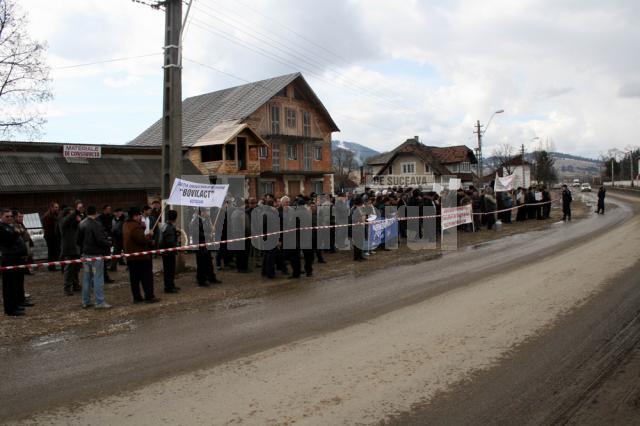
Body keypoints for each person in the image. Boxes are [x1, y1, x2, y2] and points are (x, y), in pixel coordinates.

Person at [77, 206, 112, 309]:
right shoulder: (96, 224)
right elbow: (100, 240)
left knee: (86, 279)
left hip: (85, 255)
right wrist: (109, 243)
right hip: (96, 256)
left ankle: (85, 301)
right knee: (98, 279)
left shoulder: (81, 223)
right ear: (96, 213)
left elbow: (78, 240)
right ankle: (99, 302)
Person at [123, 207, 159, 303]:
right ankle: (149, 296)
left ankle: (137, 297)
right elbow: (141, 240)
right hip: (140, 257)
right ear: (135, 216)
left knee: (134, 279)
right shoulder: (135, 226)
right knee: (146, 277)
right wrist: (149, 235)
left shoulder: (126, 225)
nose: (140, 217)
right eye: (139, 215)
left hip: (131, 256)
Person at [1, 208, 30, 316]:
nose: (9, 218)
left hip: (16, 257)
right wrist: (16, 233)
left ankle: (16, 304)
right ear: (1, 216)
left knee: (16, 284)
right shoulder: (1, 227)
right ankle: (10, 309)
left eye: (10, 216)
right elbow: (7, 242)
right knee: (9, 285)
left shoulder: (9, 226)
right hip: (9, 258)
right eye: (6, 216)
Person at [191, 208, 221, 287]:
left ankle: (211, 277)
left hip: (207, 244)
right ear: (201, 213)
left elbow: (209, 229)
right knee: (201, 263)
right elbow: (196, 233)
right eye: (205, 211)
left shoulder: (207, 220)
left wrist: (212, 229)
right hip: (200, 245)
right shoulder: (195, 221)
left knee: (208, 262)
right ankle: (201, 280)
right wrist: (208, 235)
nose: (207, 213)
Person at [59, 205, 82, 296]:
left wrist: (78, 220)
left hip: (76, 248)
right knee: (69, 269)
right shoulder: (63, 221)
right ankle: (67, 288)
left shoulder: (73, 223)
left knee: (76, 268)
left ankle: (75, 285)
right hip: (69, 248)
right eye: (72, 214)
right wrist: (76, 211)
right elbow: (68, 220)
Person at [159, 209, 180, 293]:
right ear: (175, 218)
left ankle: (171, 285)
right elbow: (170, 241)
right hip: (169, 252)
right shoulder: (170, 227)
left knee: (169, 270)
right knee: (169, 270)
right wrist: (177, 246)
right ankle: (169, 287)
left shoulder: (165, 225)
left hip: (165, 251)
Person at [97, 205, 115, 283]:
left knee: (105, 260)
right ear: (104, 210)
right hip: (103, 240)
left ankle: (105, 276)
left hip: (108, 238)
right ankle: (103, 277)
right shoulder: (100, 218)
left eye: (110, 209)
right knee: (102, 261)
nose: (109, 210)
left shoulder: (111, 216)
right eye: (108, 209)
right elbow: (102, 228)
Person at [42, 202, 60, 271]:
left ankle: (53, 266)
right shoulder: (48, 216)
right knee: (51, 252)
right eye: (56, 207)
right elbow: (48, 228)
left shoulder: (54, 214)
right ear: (51, 207)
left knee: (54, 251)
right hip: (50, 237)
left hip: (54, 236)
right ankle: (51, 267)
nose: (57, 208)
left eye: (57, 207)